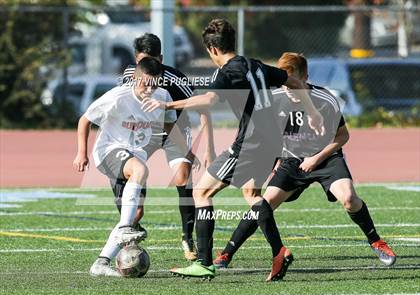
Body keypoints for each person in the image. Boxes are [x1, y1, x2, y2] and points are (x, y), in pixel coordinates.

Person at [142, 20, 324, 281]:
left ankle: (204, 262)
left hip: (250, 143)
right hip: (272, 141)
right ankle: (279, 251)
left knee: (202, 192)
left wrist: (168, 106)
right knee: (252, 194)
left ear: (213, 50)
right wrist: (313, 112)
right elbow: (294, 81)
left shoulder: (226, 71)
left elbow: (208, 100)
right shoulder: (257, 65)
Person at [213, 52, 397, 269]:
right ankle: (226, 254)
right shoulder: (274, 99)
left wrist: (316, 158)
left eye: (295, 84)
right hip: (292, 162)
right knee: (264, 204)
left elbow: (342, 136)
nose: (290, 90)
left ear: (306, 77)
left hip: (327, 159)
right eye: (286, 84)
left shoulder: (325, 99)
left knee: (349, 198)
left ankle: (376, 240)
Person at [73, 57, 190, 276]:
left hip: (134, 155)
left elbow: (169, 124)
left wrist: (187, 150)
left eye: (154, 83)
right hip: (108, 151)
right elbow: (85, 119)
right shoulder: (118, 97)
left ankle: (101, 262)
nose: (150, 88)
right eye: (145, 83)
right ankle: (125, 229)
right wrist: (81, 153)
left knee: (134, 214)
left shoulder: (162, 96)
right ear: (135, 79)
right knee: (140, 171)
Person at [123, 33, 216, 261]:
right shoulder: (128, 76)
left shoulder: (176, 80)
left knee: (183, 178)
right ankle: (130, 234)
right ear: (137, 60)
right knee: (134, 183)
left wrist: (207, 149)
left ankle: (187, 237)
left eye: (153, 62)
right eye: (143, 62)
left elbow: (203, 108)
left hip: (173, 130)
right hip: (143, 133)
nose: (148, 70)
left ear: (161, 58)